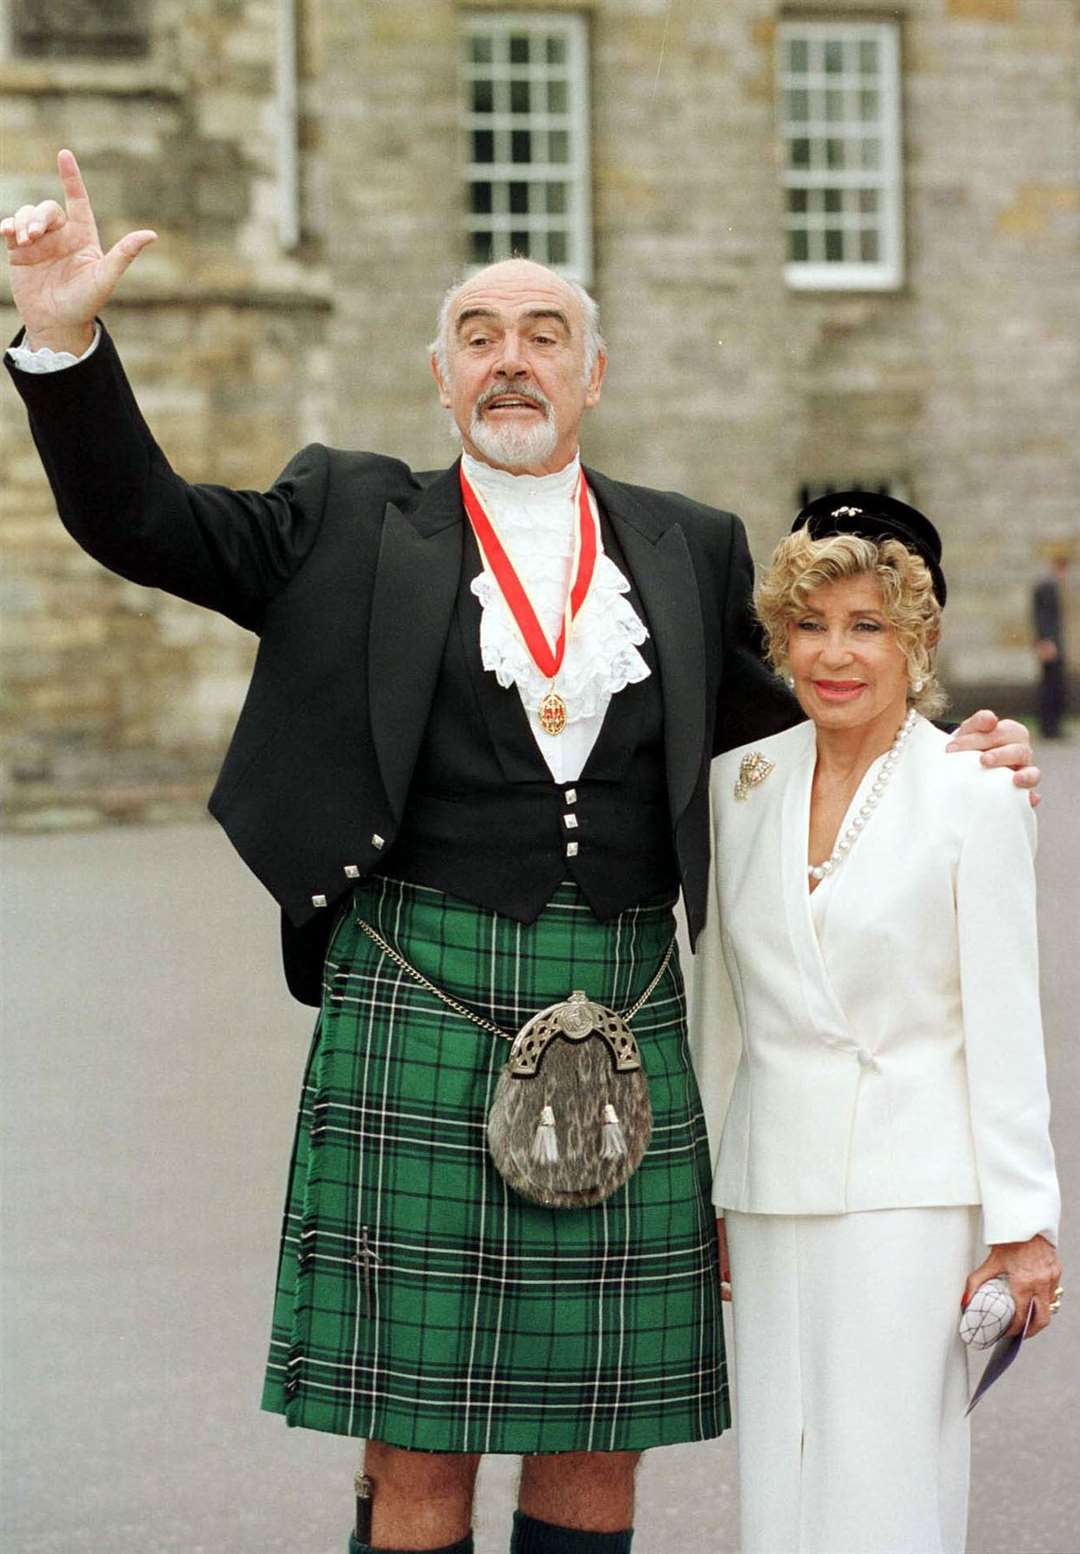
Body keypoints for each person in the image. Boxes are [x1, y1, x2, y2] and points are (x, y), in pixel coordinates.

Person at [2, 154, 1040, 1554]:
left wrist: (959, 745)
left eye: (544, 335)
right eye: (479, 338)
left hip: (622, 1010)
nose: (511, 361)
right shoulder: (351, 517)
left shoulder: (684, 546)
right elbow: (146, 521)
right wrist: (63, 339)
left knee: (596, 1439)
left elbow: (804, 716)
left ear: (592, 374)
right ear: (441, 380)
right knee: (417, 1445)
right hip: (416, 1014)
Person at [691, 493, 1062, 1554]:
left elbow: (1004, 1019)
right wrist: (715, 1179)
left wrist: (1025, 1224)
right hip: (767, 1189)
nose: (835, 655)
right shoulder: (738, 787)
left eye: (868, 626)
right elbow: (725, 1004)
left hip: (913, 1191)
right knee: (782, 1471)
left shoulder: (972, 791)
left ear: (919, 638)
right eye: (811, 626)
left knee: (887, 1477)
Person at [1032, 546, 1070, 738]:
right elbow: (1043, 617)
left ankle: (1051, 727)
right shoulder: (1048, 586)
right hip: (1050, 644)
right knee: (1052, 686)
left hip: (1050, 642)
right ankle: (1050, 727)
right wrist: (1047, 641)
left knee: (1053, 685)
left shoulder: (1047, 585)